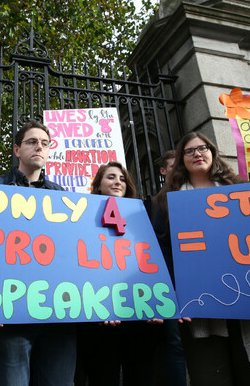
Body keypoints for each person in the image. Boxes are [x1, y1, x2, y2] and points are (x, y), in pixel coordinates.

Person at [155, 132, 250, 386]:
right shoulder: (166, 200)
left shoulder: (241, 190)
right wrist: (174, 291)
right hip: (199, 307)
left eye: (203, 148)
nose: (197, 154)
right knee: (209, 376)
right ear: (182, 158)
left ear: (213, 152)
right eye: (189, 151)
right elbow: (162, 250)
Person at [0, 120, 75, 386]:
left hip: (56, 315)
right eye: (32, 142)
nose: (39, 147)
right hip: (10, 317)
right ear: (17, 149)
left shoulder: (61, 195)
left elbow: (70, 253)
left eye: (45, 143)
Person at [75, 162, 159, 386]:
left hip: (139, 314)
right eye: (111, 177)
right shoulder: (83, 217)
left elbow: (151, 260)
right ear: (98, 185)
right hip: (100, 316)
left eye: (122, 179)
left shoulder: (141, 215)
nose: (117, 182)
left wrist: (156, 305)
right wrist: (100, 306)